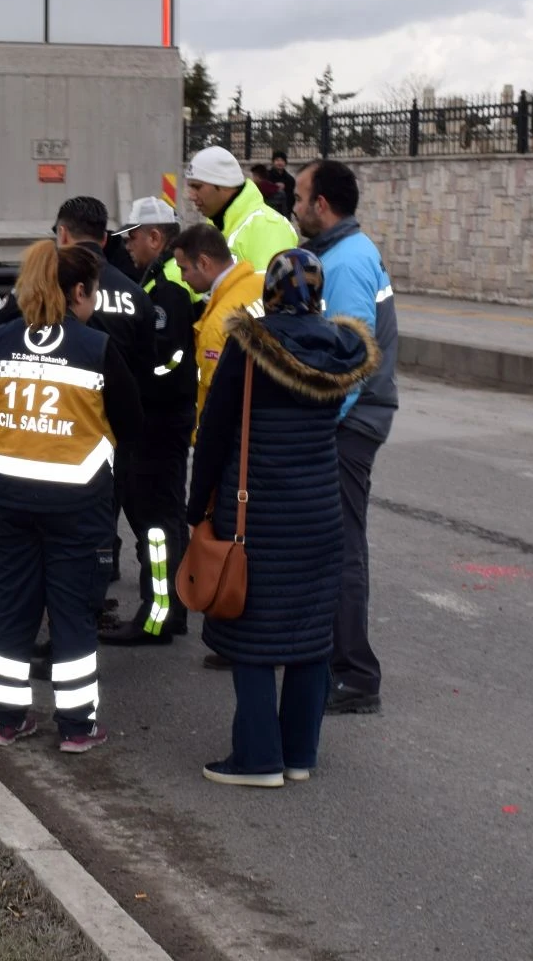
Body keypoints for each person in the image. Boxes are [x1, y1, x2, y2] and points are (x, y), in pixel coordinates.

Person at [188, 250, 379, 786]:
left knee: (251, 634)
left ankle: (257, 759)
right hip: (319, 514)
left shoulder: (250, 346)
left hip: (257, 515)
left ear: (269, 293)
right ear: (318, 294)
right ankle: (298, 754)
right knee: (310, 638)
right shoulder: (341, 351)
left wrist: (196, 507)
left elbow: (215, 431)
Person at [0, 242, 143, 753]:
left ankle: (5, 721)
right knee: (73, 615)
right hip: (78, 508)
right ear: (79, 291)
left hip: (8, 503)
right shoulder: (97, 347)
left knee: (12, 608)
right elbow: (132, 423)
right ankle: (76, 728)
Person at [0, 196, 156, 610]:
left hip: (36, 453)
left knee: (29, 571)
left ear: (62, 234)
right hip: (105, 452)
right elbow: (146, 374)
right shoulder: (135, 294)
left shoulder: (30, 300)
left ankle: (54, 613)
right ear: (106, 238)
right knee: (93, 543)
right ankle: (91, 600)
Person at [294, 160, 400, 716]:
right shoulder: (341, 253)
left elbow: (353, 359)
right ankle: (327, 657)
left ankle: (355, 674)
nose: (293, 206)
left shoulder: (348, 262)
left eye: (299, 197)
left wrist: (321, 424)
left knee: (341, 546)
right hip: (350, 419)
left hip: (350, 424)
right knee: (330, 542)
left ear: (322, 205)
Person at [101, 197, 195, 645]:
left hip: (159, 421)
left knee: (156, 524)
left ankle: (157, 617)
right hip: (165, 418)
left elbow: (170, 359)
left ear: (155, 237)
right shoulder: (161, 278)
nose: (128, 246)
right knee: (165, 519)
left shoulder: (169, 285)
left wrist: (132, 380)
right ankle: (170, 609)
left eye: (133, 237)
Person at [172, 223, 266, 428]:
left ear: (204, 263)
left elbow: (216, 401)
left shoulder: (217, 324)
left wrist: (200, 440)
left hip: (236, 435)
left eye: (184, 269)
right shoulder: (265, 285)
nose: (182, 278)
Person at [185, 145, 298, 271]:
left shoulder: (268, 227)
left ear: (223, 185)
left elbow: (268, 283)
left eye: (197, 187)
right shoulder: (215, 224)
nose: (191, 196)